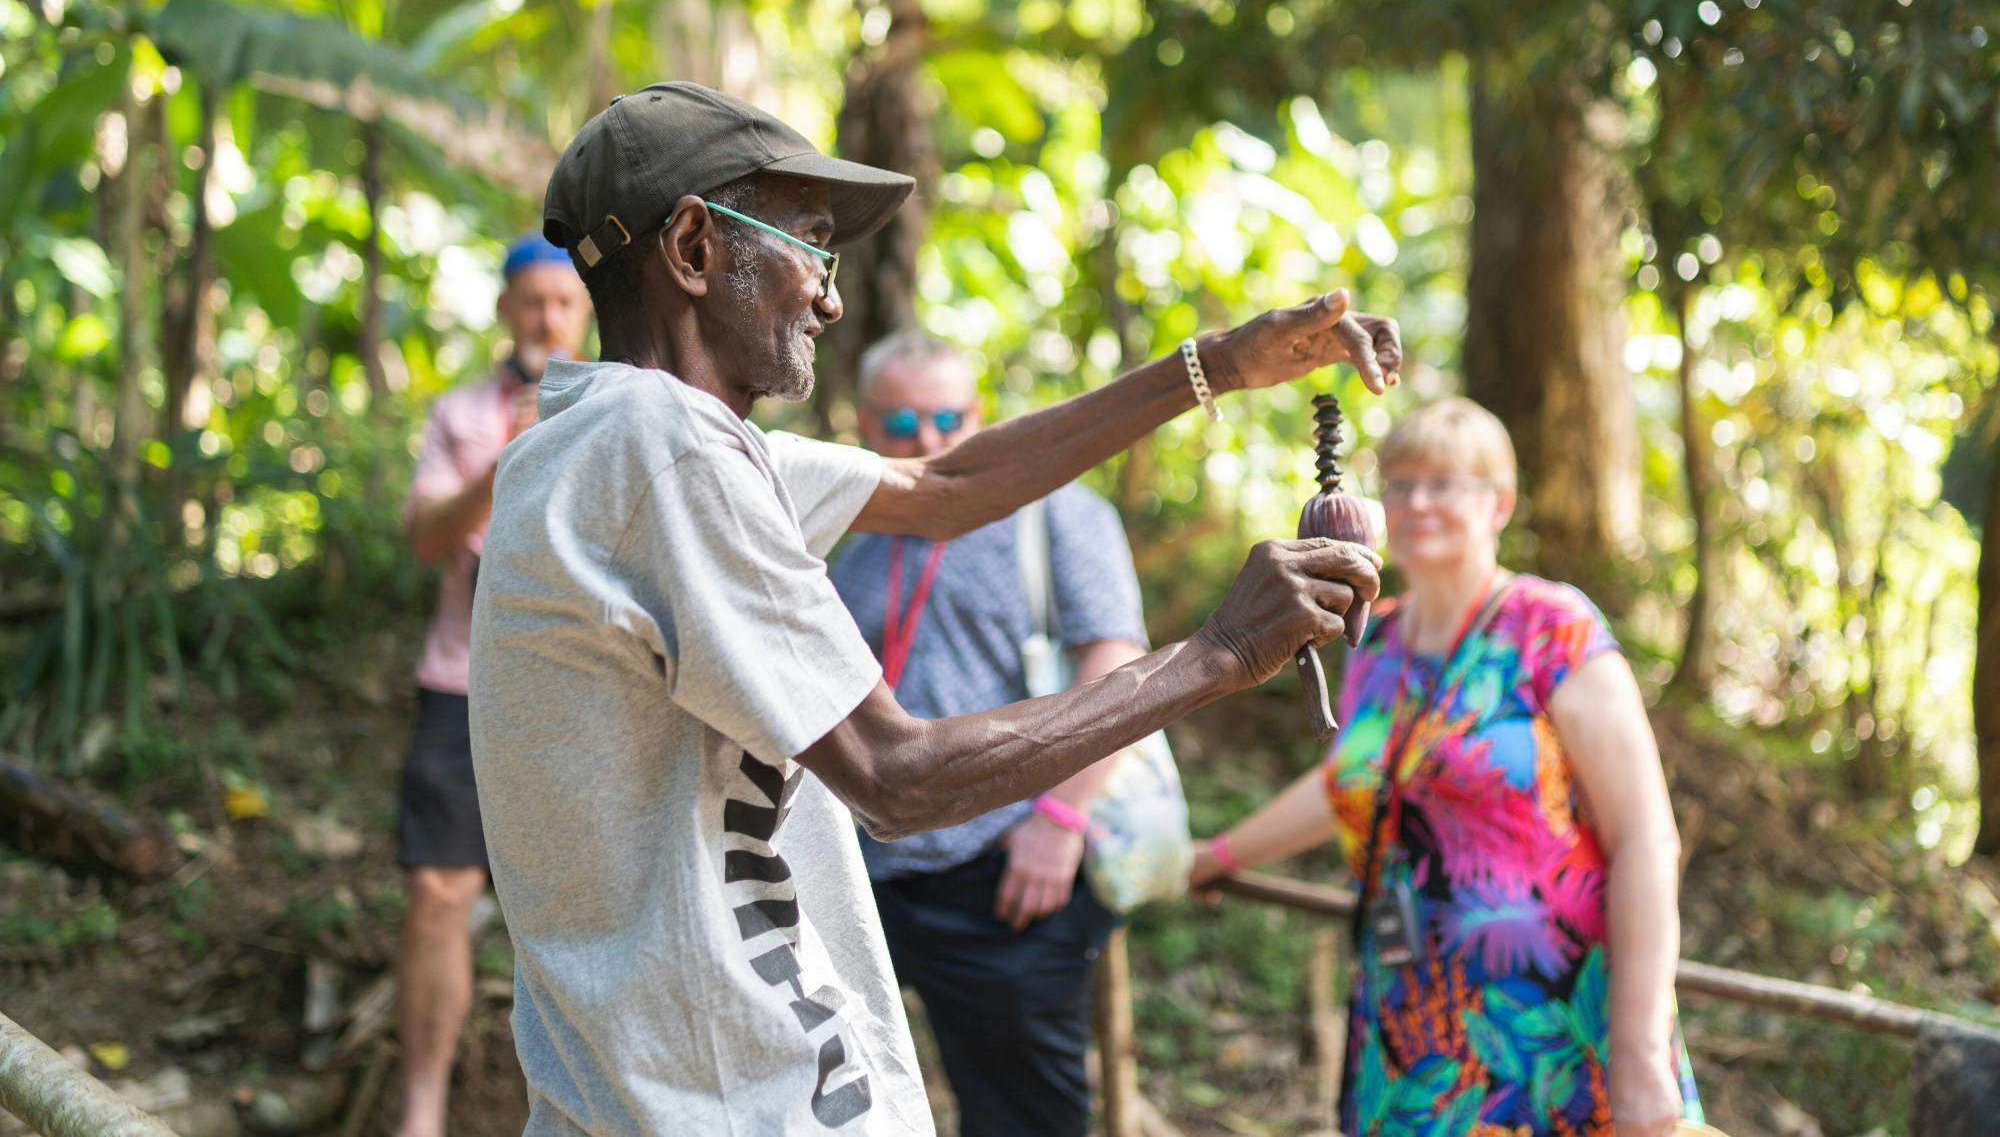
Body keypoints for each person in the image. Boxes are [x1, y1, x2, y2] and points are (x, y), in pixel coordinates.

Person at [466, 80, 1400, 1136]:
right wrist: (1220, 651)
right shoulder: (664, 452)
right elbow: (895, 776)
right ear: (690, 247)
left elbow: (952, 491)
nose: (826, 297)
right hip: (729, 1097)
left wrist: (1218, 366)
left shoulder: (599, 446)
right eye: (809, 246)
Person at [1188, 397, 1703, 1137]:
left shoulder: (1552, 626)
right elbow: (1353, 784)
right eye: (1399, 484)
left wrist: (1640, 1048)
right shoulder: (1378, 639)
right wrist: (1219, 854)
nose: (1416, 501)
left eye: (1443, 482)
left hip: (1547, 1022)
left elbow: (1647, 839)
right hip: (1412, 1022)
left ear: (1499, 502)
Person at [828, 329, 1148, 1137]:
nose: (928, 440)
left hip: (1008, 871)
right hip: (867, 870)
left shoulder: (1058, 513)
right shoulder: (853, 532)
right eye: (902, 425)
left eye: (947, 417)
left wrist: (1060, 822)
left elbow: (1117, 668)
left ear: (980, 414)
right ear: (868, 424)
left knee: (1021, 1117)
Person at [394, 234, 591, 1137]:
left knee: (584, 900)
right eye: (530, 301)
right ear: (506, 308)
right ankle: (424, 1112)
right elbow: (426, 538)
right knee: (438, 892)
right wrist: (502, 461)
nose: (546, 317)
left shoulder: (620, 402)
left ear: (583, 307)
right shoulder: (462, 413)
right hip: (461, 685)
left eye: (562, 300)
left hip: (578, 692)